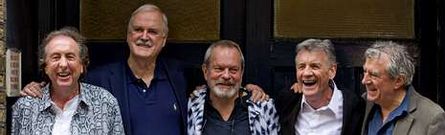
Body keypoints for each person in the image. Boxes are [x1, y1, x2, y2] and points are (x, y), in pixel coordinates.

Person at [21, 4, 267, 135]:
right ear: (128, 36)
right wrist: (39, 87)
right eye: (138, 30)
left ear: (164, 39)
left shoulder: (180, 75)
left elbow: (221, 81)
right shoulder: (99, 79)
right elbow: (65, 84)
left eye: (152, 32)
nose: (144, 37)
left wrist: (249, 89)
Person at [11, 27, 124, 135]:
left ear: (82, 65)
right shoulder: (26, 107)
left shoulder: (105, 103)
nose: (63, 64)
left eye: (70, 57)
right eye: (55, 57)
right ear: (45, 67)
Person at [187, 40, 280, 135]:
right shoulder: (190, 107)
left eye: (233, 70)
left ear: (242, 72)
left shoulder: (264, 109)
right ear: (205, 71)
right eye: (219, 69)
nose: (226, 76)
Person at [276, 39, 365, 135]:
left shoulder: (354, 107)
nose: (306, 73)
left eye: (314, 66)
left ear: (332, 71)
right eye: (301, 67)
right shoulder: (287, 101)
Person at [360, 41, 445, 135]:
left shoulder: (431, 117)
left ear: (398, 81)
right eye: (365, 71)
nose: (364, 81)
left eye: (374, 75)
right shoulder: (363, 104)